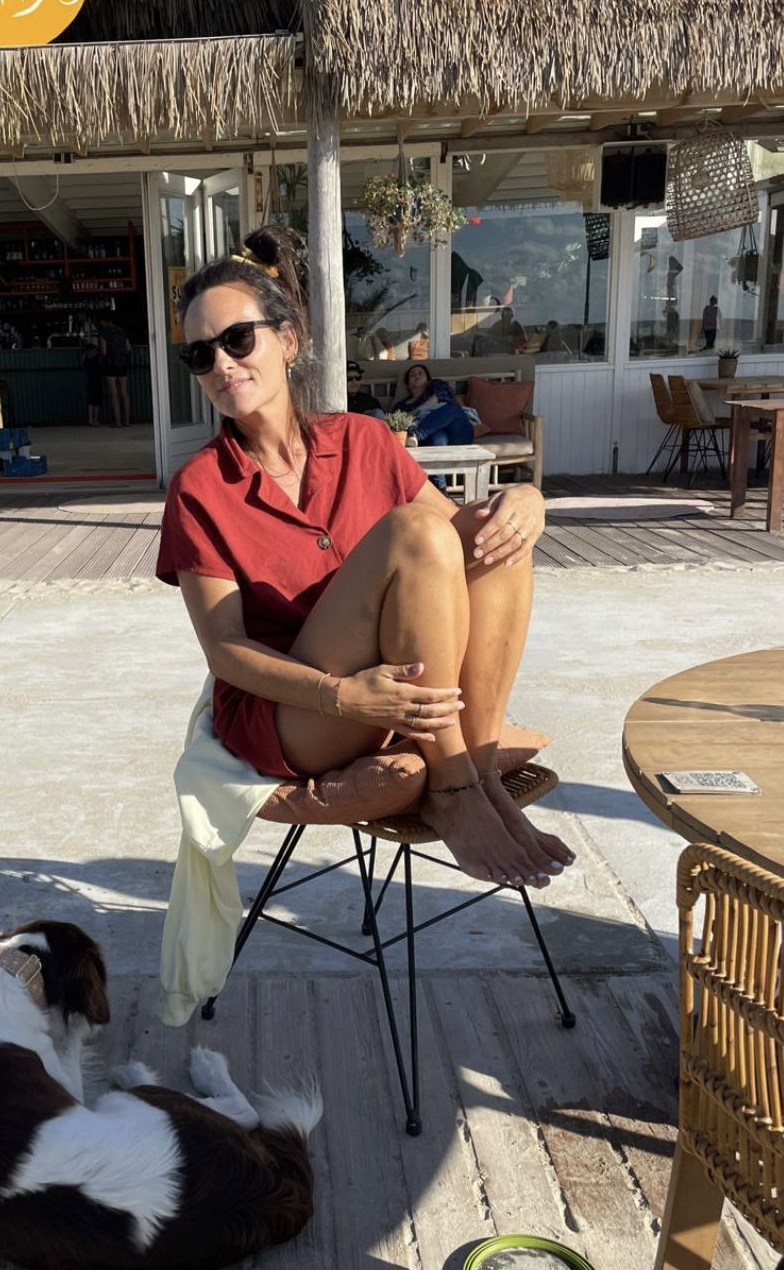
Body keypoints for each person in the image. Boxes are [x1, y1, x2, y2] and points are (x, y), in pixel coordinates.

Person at [155, 225, 574, 889]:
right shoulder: (200, 487)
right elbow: (226, 652)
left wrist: (526, 499)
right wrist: (343, 694)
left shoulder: (364, 440)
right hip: (294, 711)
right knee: (414, 531)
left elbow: (466, 537)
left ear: (287, 340)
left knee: (496, 542)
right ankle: (455, 789)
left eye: (237, 339)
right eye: (200, 355)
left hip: (396, 683)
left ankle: (478, 771)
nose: (222, 365)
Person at [401, 363, 475, 447]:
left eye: (420, 373)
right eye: (412, 375)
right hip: (432, 437)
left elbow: (441, 396)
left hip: (458, 432)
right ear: (408, 384)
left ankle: (417, 434)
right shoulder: (402, 405)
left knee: (452, 406)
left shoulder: (436, 385)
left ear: (428, 380)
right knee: (439, 437)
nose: (417, 376)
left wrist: (417, 412)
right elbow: (399, 423)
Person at [98, 317, 131, 428]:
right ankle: (127, 420)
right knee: (124, 392)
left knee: (114, 393)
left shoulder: (103, 333)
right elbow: (128, 348)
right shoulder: (122, 331)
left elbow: (104, 351)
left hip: (110, 364)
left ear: (104, 321)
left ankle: (118, 421)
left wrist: (100, 359)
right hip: (122, 363)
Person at [82, 341, 105, 427]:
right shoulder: (98, 358)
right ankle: (95, 419)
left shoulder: (86, 359)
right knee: (97, 400)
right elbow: (103, 355)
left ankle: (90, 419)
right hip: (98, 379)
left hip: (90, 380)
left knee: (91, 400)